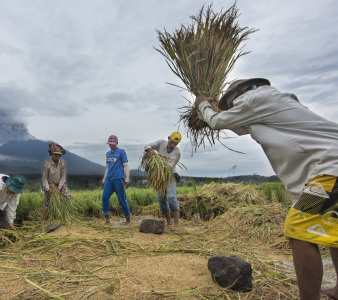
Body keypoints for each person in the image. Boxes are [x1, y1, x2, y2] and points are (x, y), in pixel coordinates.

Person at [195, 78, 338, 300]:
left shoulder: (253, 99)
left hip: (329, 170)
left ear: (239, 93)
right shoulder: (276, 100)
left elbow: (217, 122)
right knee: (333, 230)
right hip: (331, 167)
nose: (232, 107)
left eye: (231, 103)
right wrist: (206, 115)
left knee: (297, 230)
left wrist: (202, 104)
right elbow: (240, 128)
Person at [144, 132, 182, 230]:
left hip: (169, 175)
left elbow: (169, 167)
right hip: (158, 176)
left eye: (175, 144)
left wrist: (157, 159)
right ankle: (169, 222)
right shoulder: (161, 143)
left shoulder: (177, 153)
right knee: (161, 198)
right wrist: (150, 150)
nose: (172, 145)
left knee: (171, 196)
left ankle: (176, 224)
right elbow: (147, 145)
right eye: (171, 141)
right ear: (168, 138)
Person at [101, 135, 131, 225]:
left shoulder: (121, 152)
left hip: (118, 179)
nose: (111, 145)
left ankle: (128, 219)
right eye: (110, 144)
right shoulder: (108, 154)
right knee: (104, 197)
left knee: (122, 199)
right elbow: (107, 168)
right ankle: (107, 219)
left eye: (113, 144)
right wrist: (103, 180)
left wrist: (127, 179)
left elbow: (126, 165)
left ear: (117, 143)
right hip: (109, 180)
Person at [42, 143, 71, 207]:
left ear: (60, 155)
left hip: (60, 183)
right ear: (52, 154)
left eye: (58, 155)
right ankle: (48, 214)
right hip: (50, 184)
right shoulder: (46, 164)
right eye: (55, 154)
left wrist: (58, 189)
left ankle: (68, 210)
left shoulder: (63, 163)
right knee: (48, 202)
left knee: (66, 198)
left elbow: (63, 177)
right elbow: (44, 178)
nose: (57, 156)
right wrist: (48, 189)